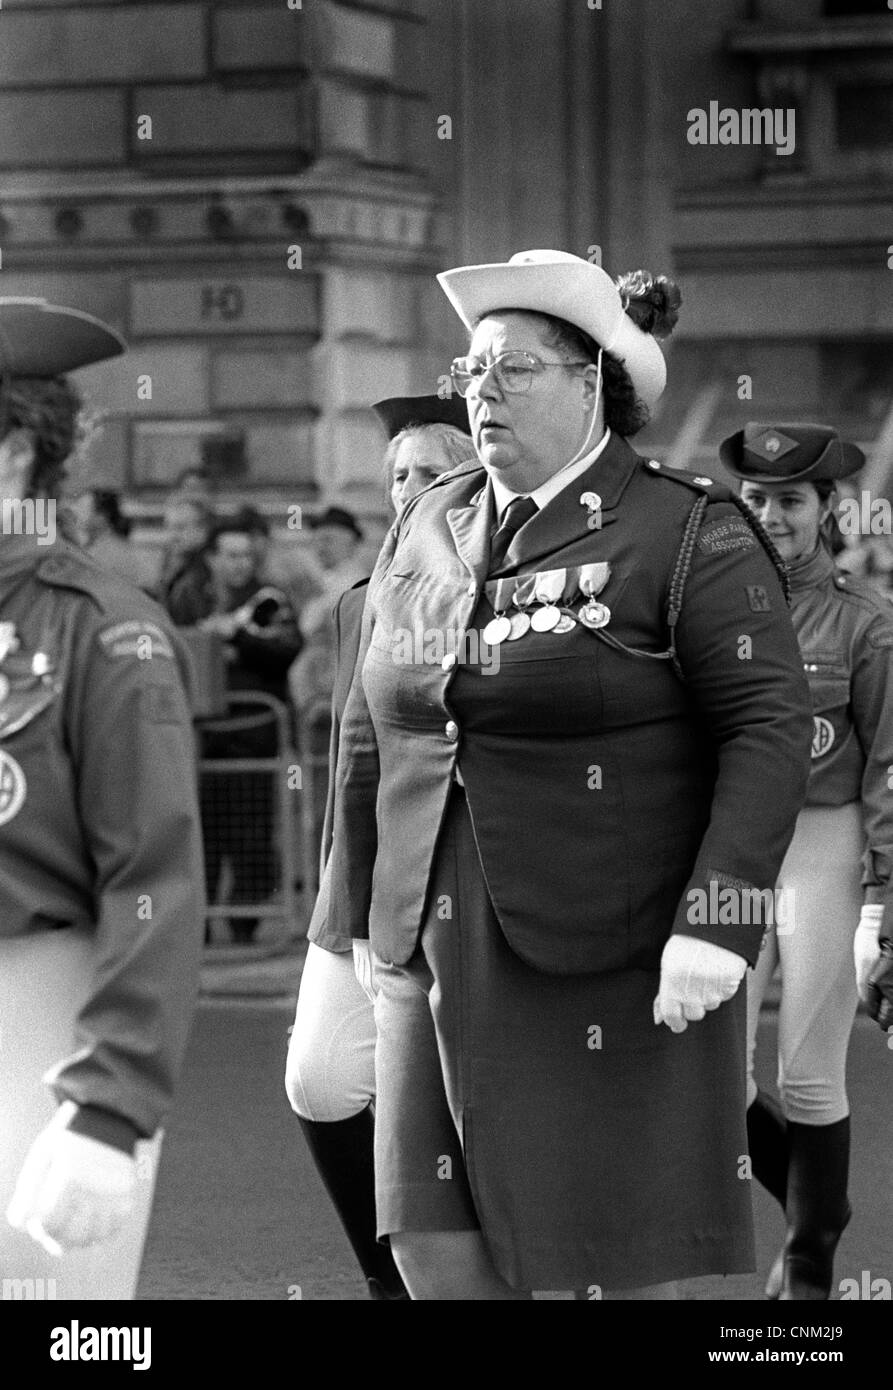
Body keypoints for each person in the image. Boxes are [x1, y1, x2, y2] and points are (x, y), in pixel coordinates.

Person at [326, 249, 815, 1300]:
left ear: (592, 380)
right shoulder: (430, 519)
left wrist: (718, 920)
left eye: (514, 369)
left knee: (614, 1261)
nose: (481, 392)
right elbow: (375, 722)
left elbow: (766, 726)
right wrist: (348, 923)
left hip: (613, 942)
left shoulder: (685, 530)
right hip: (426, 931)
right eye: (470, 372)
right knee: (429, 1238)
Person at [0, 297, 205, 1299]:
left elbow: (152, 878)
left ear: (10, 452)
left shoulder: (104, 630)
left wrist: (106, 1105)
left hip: (41, 1006)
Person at [285, 394, 475, 1300]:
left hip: (467, 883)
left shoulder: (505, 595)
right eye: (398, 476)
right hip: (364, 886)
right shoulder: (360, 603)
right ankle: (385, 1278)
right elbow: (349, 764)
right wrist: (348, 905)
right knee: (320, 1079)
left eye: (431, 475)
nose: (409, 494)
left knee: (464, 1106)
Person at [725, 423, 893, 1300]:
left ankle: (809, 1278)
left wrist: (879, 903)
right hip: (731, 853)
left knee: (805, 1071)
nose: (769, 515)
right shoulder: (708, 605)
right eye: (754, 498)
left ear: (828, 509)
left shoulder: (866, 620)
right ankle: (817, 1209)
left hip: (821, 848)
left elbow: (888, 770)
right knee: (714, 1078)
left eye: (788, 499)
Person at [169, 514, 303, 945]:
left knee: (251, 833)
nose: (239, 564)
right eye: (230, 555)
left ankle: (246, 924)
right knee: (201, 833)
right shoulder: (191, 595)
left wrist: (238, 639)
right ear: (212, 558)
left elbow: (286, 647)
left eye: (246, 555)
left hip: (254, 737)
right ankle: (201, 922)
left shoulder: (269, 599)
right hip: (200, 739)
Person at [67, 488, 158, 593]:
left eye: (82, 508)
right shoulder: (98, 546)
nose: (75, 513)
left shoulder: (109, 551)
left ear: (102, 517)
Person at [156, 494, 214, 610]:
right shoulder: (171, 560)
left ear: (202, 530)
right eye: (168, 527)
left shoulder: (212, 568)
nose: (172, 535)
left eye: (180, 528)